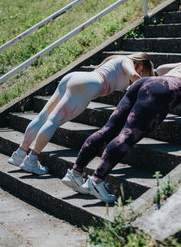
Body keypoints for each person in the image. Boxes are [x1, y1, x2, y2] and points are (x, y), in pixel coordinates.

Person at [61, 42, 181, 202]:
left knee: (110, 129)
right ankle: (97, 180)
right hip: (161, 90)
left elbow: (160, 69)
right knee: (128, 135)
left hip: (145, 83)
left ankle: (75, 173)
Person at [8, 53, 154, 175]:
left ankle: (19, 154)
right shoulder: (127, 60)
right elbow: (134, 75)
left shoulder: (114, 61)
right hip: (89, 84)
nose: (141, 73)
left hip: (75, 77)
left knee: (43, 116)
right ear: (140, 63)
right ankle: (32, 159)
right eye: (142, 70)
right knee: (53, 121)